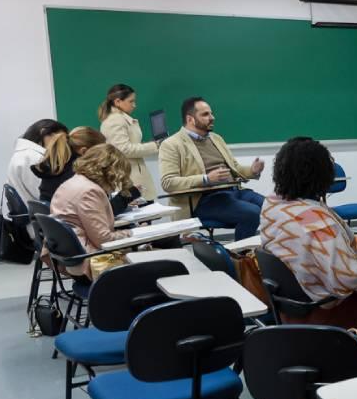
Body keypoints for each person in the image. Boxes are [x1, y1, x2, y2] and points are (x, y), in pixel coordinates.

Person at [258, 137, 357, 338]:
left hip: (291, 309)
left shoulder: (273, 205)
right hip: (326, 314)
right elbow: (347, 278)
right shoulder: (315, 220)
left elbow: (326, 244)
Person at [158, 97, 266, 240]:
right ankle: (241, 257)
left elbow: (235, 168)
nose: (212, 117)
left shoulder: (216, 138)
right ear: (190, 119)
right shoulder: (171, 144)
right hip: (203, 200)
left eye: (211, 113)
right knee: (251, 213)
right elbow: (168, 182)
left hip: (233, 191)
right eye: (205, 114)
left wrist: (252, 170)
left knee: (271, 207)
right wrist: (206, 179)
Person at [47, 144, 134, 279]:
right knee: (159, 260)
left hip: (72, 260)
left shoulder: (72, 182)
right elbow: (104, 240)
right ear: (111, 172)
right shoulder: (90, 191)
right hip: (92, 262)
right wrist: (132, 233)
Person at [98, 83, 160, 199]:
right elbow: (123, 149)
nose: (134, 105)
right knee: (141, 212)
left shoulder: (121, 118)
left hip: (134, 174)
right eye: (131, 101)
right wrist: (154, 146)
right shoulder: (115, 121)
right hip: (128, 177)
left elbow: (130, 145)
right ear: (117, 102)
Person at [33, 126, 106, 204]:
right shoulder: (79, 174)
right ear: (84, 151)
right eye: (100, 154)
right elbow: (98, 209)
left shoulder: (54, 166)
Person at [7, 119, 67, 205]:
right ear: (44, 132)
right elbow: (46, 195)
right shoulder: (34, 158)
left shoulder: (21, 154)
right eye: (59, 140)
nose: (60, 146)